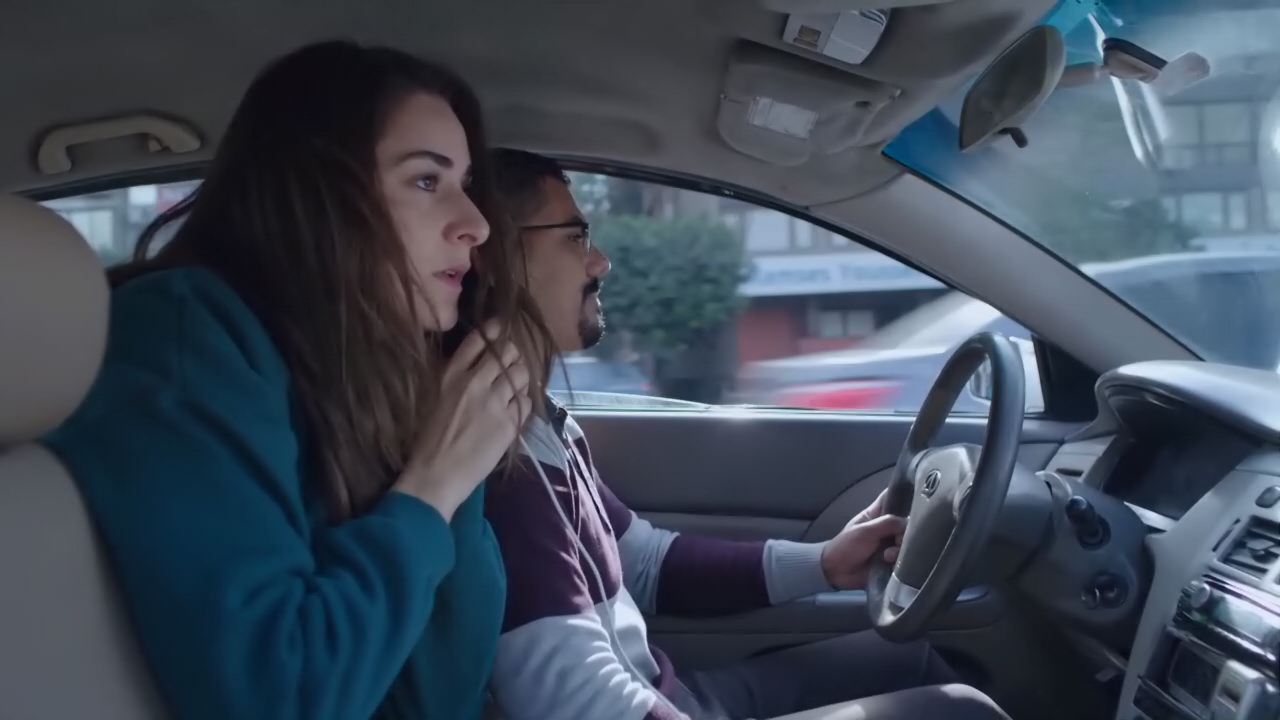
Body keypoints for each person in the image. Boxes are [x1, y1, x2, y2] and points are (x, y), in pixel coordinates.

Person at [41, 42, 552, 720]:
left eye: (465, 183)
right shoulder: (184, 334)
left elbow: (433, 699)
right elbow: (278, 700)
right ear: (321, 196)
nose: (478, 224)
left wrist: (451, 472)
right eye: (428, 181)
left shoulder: (361, 375)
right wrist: (435, 483)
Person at [483, 149, 1011, 720]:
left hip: (671, 697)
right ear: (497, 259)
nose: (600, 262)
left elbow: (647, 565)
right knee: (961, 712)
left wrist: (824, 563)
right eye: (575, 238)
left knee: (909, 660)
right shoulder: (499, 464)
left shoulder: (541, 422)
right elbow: (576, 703)